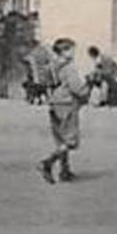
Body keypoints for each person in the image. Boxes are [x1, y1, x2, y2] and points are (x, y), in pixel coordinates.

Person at [37, 38, 91, 183]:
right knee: (71, 140)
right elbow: (76, 87)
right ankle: (47, 163)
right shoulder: (69, 67)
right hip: (67, 103)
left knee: (60, 138)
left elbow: (45, 82)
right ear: (65, 51)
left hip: (54, 103)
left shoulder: (52, 67)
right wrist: (87, 89)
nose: (74, 52)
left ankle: (65, 171)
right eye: (72, 49)